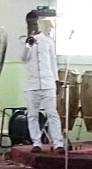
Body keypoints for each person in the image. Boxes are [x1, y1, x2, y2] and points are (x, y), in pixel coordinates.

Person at [19, 10, 63, 152]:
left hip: (48, 82)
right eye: (30, 23)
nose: (33, 26)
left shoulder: (48, 40)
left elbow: (53, 62)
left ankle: (58, 143)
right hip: (31, 84)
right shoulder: (22, 40)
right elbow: (22, 58)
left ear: (39, 23)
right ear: (27, 24)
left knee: (52, 113)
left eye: (35, 23)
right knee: (32, 114)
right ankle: (36, 143)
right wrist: (28, 44)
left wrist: (56, 81)